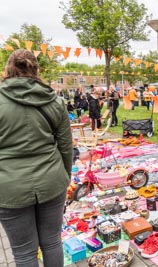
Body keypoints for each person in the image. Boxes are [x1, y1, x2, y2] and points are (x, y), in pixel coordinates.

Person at [0, 49, 73, 267]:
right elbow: (66, 147)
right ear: (37, 70)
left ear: (8, 69)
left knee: (23, 253)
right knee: (52, 242)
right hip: (51, 179)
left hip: (9, 185)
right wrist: (65, 177)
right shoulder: (54, 100)